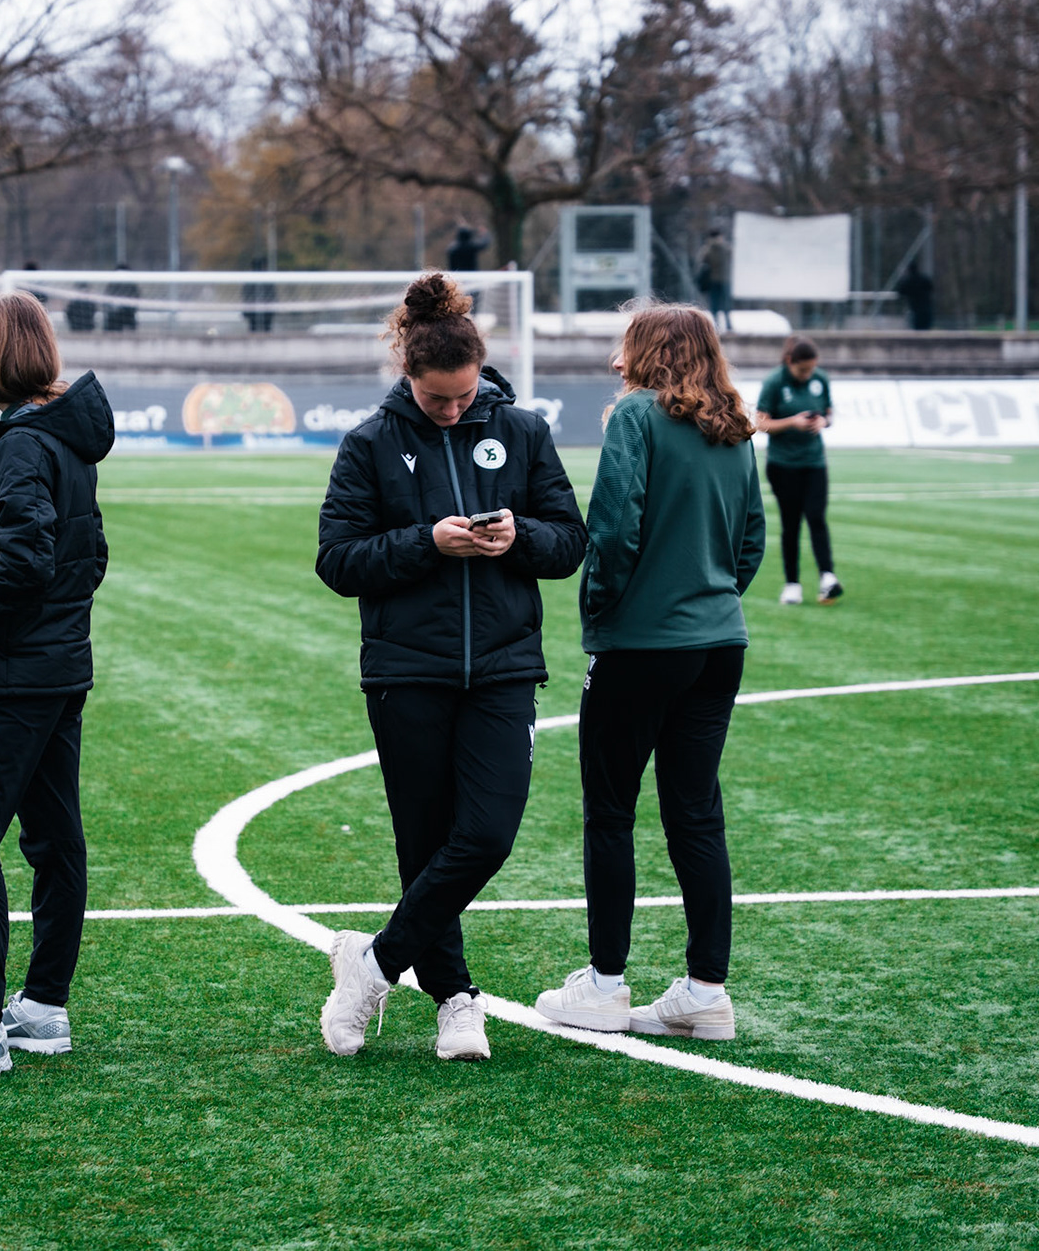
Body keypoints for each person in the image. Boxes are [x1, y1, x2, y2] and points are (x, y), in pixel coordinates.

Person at [315, 272, 586, 1062]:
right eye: (439, 399)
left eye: (466, 395)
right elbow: (337, 560)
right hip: (407, 672)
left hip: (504, 667)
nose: (454, 409)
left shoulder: (523, 431)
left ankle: (370, 966)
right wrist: (425, 542)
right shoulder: (370, 443)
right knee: (425, 844)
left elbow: (570, 541)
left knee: (488, 834)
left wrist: (520, 538)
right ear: (409, 375)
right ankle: (456, 1000)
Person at [533, 304, 764, 1041]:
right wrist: (709, 600)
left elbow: (613, 529)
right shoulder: (734, 428)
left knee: (609, 812)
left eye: (626, 345)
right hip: (719, 644)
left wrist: (604, 612)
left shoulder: (636, 417)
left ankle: (604, 986)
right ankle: (705, 991)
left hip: (641, 645)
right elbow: (751, 542)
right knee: (696, 814)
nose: (615, 360)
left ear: (651, 353)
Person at [0, 291, 115, 1080]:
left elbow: (29, 558)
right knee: (52, 838)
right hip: (54, 668)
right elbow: (91, 556)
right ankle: (42, 1008)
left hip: (15, 675)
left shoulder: (24, 445)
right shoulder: (57, 438)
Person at [755, 336, 841, 605]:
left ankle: (828, 577)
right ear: (789, 361)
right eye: (803, 370)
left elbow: (829, 413)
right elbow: (761, 423)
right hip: (783, 465)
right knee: (790, 524)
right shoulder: (774, 382)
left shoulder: (820, 379)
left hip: (814, 462)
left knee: (817, 517)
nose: (808, 374)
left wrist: (823, 421)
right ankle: (792, 584)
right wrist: (792, 422)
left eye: (811, 369)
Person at [696, 228, 732, 331]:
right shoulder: (725, 248)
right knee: (725, 303)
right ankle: (728, 324)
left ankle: (716, 324)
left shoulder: (707, 249)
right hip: (723, 279)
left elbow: (701, 262)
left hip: (713, 280)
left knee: (714, 303)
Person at [895, 260, 935, 330]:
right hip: (927, 310)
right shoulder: (924, 279)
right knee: (926, 331)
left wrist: (901, 278)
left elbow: (900, 292)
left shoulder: (908, 282)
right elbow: (931, 288)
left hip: (915, 311)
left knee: (917, 332)